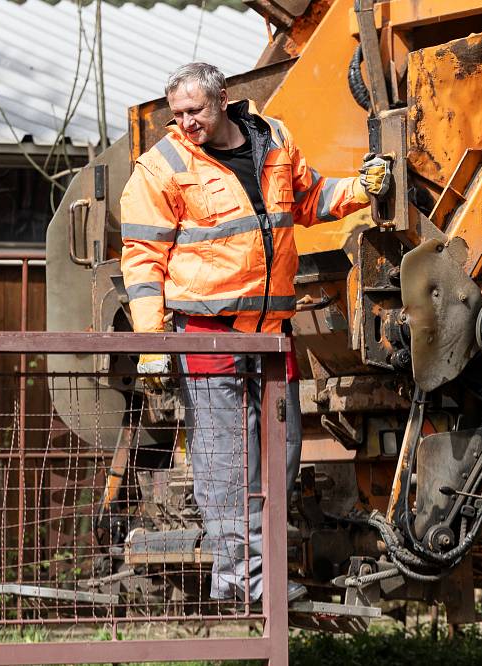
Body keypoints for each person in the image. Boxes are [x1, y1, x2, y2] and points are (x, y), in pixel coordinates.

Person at [119, 63, 390, 605]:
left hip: (271, 335)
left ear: (223, 101)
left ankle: (256, 571)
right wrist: (151, 343)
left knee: (279, 456)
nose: (185, 122)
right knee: (226, 464)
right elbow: (143, 260)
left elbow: (309, 199)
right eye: (177, 114)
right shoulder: (161, 167)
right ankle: (241, 581)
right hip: (208, 336)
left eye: (194, 111)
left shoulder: (274, 139)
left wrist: (361, 189)